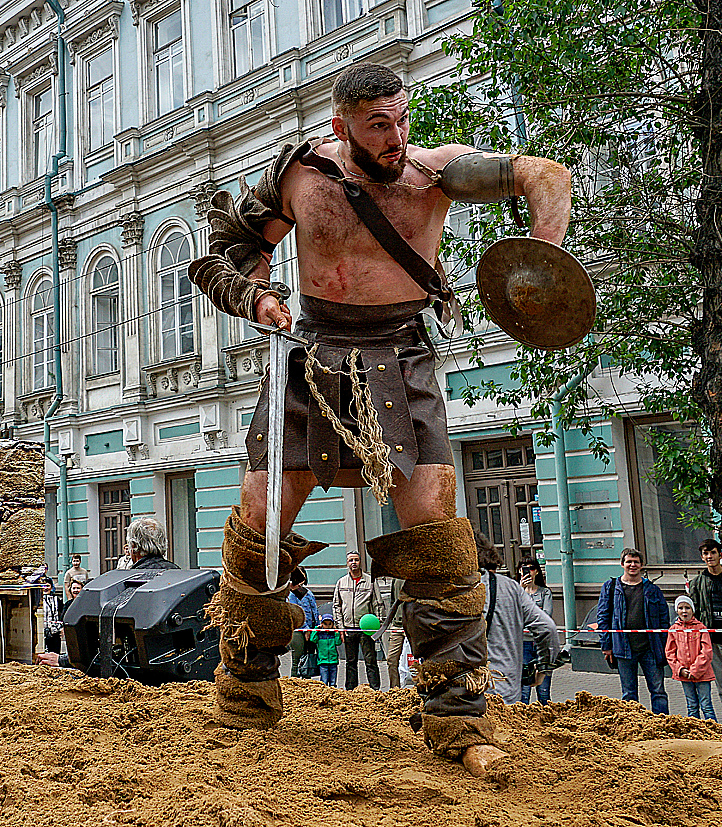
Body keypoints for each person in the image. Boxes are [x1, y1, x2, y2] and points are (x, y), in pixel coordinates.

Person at [189, 61, 570, 774]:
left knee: (435, 518)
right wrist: (257, 297)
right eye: (377, 126)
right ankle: (245, 691)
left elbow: (546, 175)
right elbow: (230, 251)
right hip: (313, 349)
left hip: (403, 353)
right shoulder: (298, 175)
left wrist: (541, 258)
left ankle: (458, 719)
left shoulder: (440, 172)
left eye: (401, 120)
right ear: (341, 127)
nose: (396, 137)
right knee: (261, 509)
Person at [475, 534, 559, 705]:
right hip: (504, 693)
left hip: (459, 696)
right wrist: (542, 670)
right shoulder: (510, 587)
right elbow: (547, 628)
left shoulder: (446, 590)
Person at [596, 548, 669, 714]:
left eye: (636, 562)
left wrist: (664, 644)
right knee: (629, 694)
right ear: (622, 564)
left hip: (650, 648)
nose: (632, 565)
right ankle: (632, 726)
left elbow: (664, 619)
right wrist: (606, 645)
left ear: (641, 565)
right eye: (629, 562)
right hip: (623, 649)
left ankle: (663, 725)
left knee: (658, 691)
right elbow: (603, 618)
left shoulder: (652, 589)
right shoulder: (611, 587)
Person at [687, 539, 722, 718]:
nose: (710, 557)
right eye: (706, 554)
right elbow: (695, 613)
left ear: (720, 554)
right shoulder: (697, 583)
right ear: (702, 557)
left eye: (713, 552)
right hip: (712, 642)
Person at [333, 550, 386, 691]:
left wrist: (378, 626)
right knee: (350, 662)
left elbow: (378, 603)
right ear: (347, 563)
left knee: (370, 660)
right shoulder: (341, 582)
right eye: (351, 560)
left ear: (360, 562)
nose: (353, 563)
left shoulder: (370, 581)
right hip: (349, 628)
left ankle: (375, 690)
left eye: (356, 560)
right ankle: (350, 690)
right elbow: (336, 606)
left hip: (365, 629)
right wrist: (341, 628)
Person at [666, 595, 717, 721]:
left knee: (706, 705)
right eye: (681, 608)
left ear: (692, 610)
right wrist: (680, 669)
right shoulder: (673, 629)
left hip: (702, 674)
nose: (684, 611)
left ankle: (716, 730)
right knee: (692, 705)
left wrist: (695, 670)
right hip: (684, 675)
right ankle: (694, 731)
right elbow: (670, 653)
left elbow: (707, 651)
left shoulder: (701, 628)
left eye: (687, 608)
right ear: (676, 611)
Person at [519, 559, 555, 703]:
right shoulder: (516, 592)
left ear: (537, 571)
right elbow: (513, 615)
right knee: (523, 692)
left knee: (544, 692)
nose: (528, 571)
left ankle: (546, 722)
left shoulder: (545, 592)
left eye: (532, 568)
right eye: (524, 568)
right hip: (523, 643)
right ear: (520, 571)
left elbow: (546, 616)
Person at [287, 567, 320, 677]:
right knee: (298, 658)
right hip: (299, 630)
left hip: (311, 629)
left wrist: (315, 627)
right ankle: (294, 681)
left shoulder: (308, 592)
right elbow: (296, 612)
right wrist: (305, 629)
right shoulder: (292, 594)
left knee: (309, 657)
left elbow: (314, 609)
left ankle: (307, 680)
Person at [382, 577, 406, 689]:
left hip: (412, 626)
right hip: (397, 625)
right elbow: (393, 602)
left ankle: (420, 688)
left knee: (417, 660)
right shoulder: (395, 579)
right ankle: (395, 689)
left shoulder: (413, 577)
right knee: (391, 660)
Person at [309, 614, 340, 686]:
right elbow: (312, 639)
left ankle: (333, 693)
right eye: (325, 624)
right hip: (323, 661)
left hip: (333, 661)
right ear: (322, 624)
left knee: (333, 681)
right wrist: (316, 629)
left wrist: (337, 633)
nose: (328, 626)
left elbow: (338, 642)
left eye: (330, 624)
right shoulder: (319, 634)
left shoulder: (333, 633)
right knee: (324, 681)